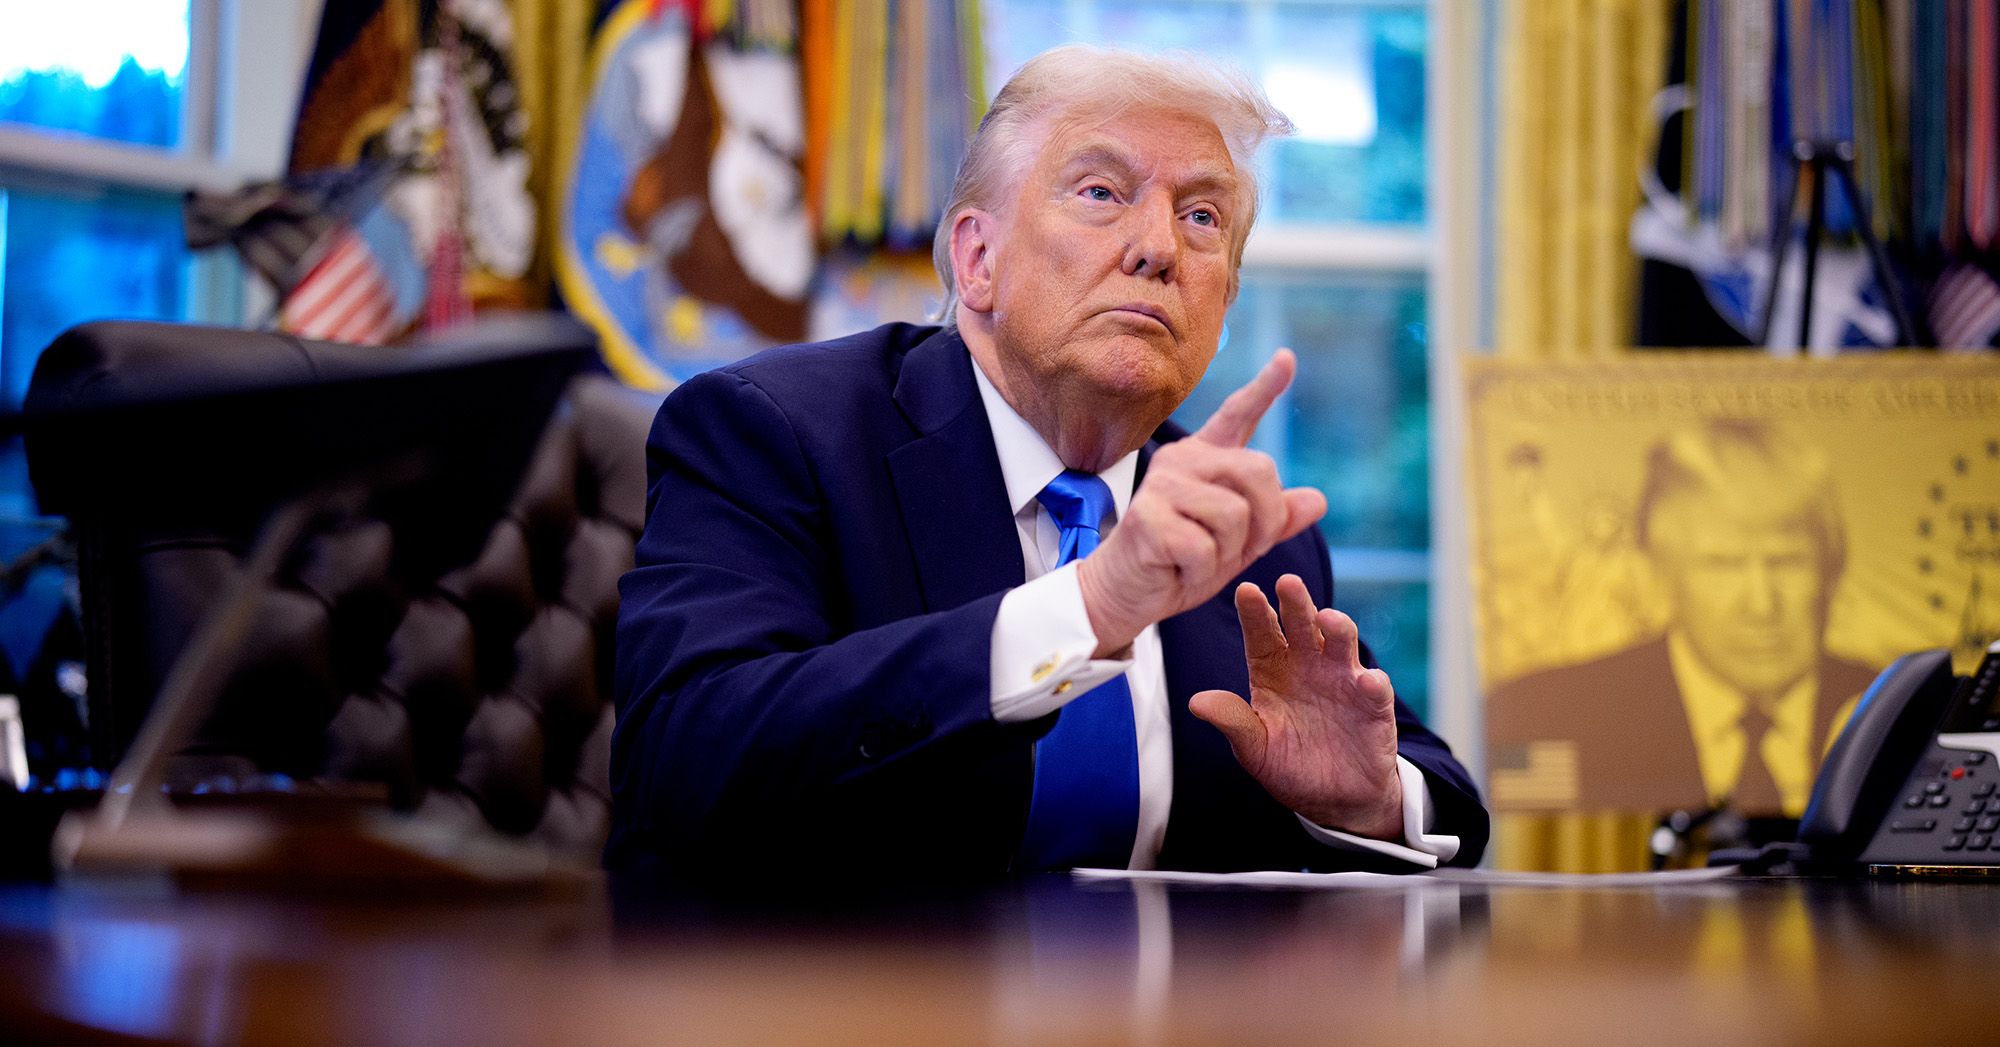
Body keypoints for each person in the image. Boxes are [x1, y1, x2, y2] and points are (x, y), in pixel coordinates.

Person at [607, 46, 1489, 883]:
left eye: (1203, 217)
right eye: (1103, 192)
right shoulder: (775, 433)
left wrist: (1367, 799)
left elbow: (1439, 788)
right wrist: (1086, 608)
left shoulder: (1238, 526)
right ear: (978, 259)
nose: (1158, 247)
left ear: (1225, 302)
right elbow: (681, 755)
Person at [1487, 418, 1879, 818]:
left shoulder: (1895, 714)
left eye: (1787, 562)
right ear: (1663, 574)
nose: (1761, 605)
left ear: (1832, 571)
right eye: (1722, 565)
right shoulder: (1550, 711)